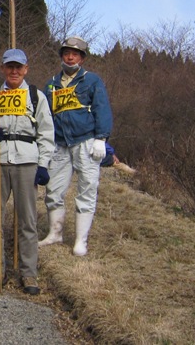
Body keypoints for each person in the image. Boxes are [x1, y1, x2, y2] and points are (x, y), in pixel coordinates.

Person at [0, 48, 55, 294]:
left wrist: (43, 165)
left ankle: (29, 274)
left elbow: (46, 133)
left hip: (26, 162)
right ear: (2, 68)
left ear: (26, 69)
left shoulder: (36, 97)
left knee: (28, 221)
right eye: (9, 66)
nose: (14, 71)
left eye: (18, 67)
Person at [39, 36, 113, 257]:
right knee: (53, 190)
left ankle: (81, 240)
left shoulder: (92, 81)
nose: (70, 57)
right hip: (59, 144)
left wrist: (101, 137)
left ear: (82, 57)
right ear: (62, 55)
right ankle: (55, 233)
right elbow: (45, 115)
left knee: (87, 188)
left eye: (75, 53)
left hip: (85, 141)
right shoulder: (51, 84)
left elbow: (102, 108)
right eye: (67, 53)